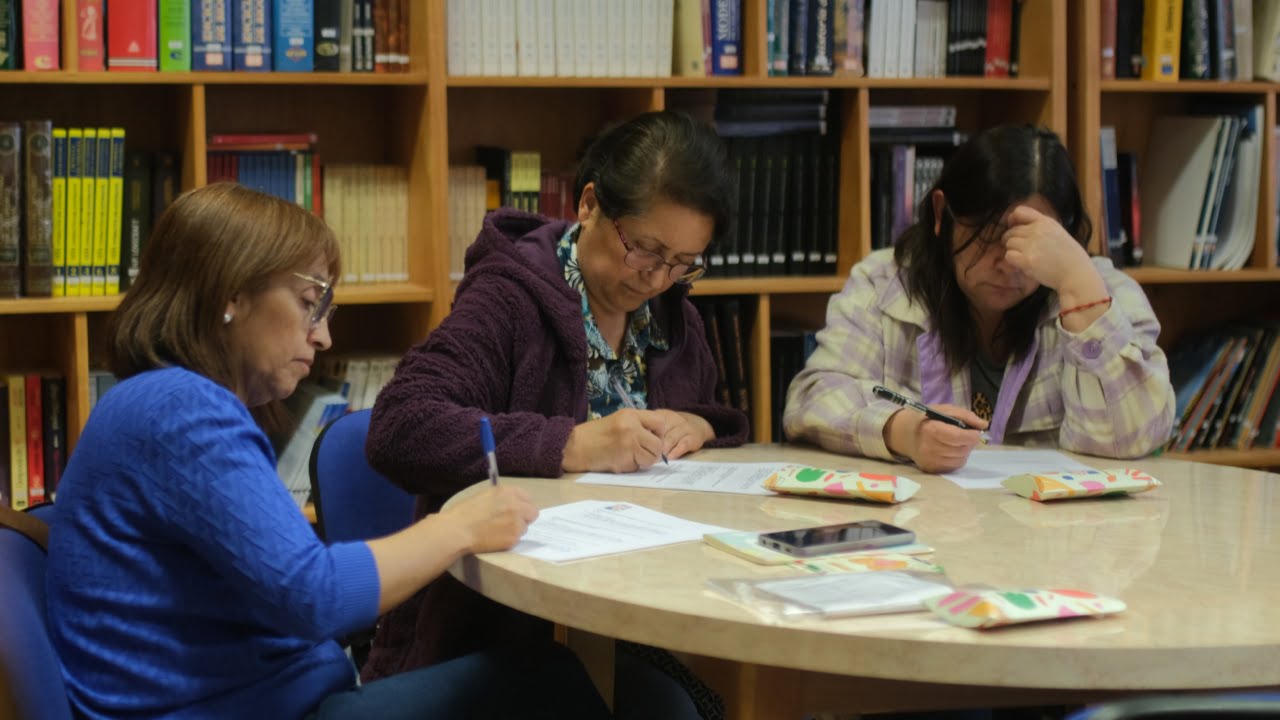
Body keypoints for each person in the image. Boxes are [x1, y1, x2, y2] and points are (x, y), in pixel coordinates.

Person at [45, 183, 610, 720]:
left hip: (251, 698)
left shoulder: (156, 403)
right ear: (230, 296)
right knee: (547, 678)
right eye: (310, 302)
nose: (323, 336)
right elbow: (315, 596)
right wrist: (459, 526)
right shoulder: (181, 412)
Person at [361, 111, 750, 716]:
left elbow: (708, 416)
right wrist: (571, 444)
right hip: (505, 627)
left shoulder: (673, 316)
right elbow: (400, 426)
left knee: (708, 701)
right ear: (590, 202)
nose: (656, 278)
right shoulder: (508, 297)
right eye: (644, 249)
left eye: (683, 262)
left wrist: (700, 426)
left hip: (642, 608)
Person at [785, 124, 1175, 473]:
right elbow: (811, 402)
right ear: (943, 215)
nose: (1007, 264)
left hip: (1055, 538)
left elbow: (1133, 438)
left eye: (1032, 242)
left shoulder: (1104, 293)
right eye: (988, 238)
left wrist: (1078, 288)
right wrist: (904, 431)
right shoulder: (884, 282)